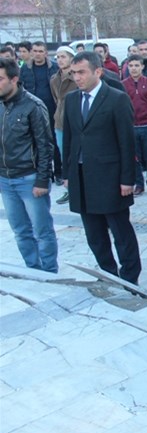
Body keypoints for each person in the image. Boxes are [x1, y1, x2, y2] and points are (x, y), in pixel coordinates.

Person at [62, 51, 141, 284]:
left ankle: (130, 278)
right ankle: (108, 274)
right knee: (94, 234)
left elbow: (127, 142)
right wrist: (67, 173)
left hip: (110, 178)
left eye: (82, 72)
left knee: (121, 233)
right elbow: (69, 139)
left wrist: (127, 179)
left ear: (97, 71)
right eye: (73, 73)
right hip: (81, 177)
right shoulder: (71, 100)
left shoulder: (116, 98)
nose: (77, 78)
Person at [0, 57, 58, 273]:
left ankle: (49, 273)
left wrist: (42, 179)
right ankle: (32, 271)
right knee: (20, 231)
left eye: (0, 79)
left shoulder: (33, 105)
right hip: (6, 179)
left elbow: (45, 145)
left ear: (14, 79)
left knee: (42, 231)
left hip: (30, 179)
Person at [20, 41, 60, 183]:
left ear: (46, 53)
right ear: (32, 52)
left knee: (54, 141)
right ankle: (43, 172)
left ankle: (58, 172)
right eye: (35, 51)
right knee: (36, 141)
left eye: (40, 51)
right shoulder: (25, 69)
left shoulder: (54, 67)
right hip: (32, 111)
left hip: (52, 109)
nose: (37, 54)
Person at [121, 54, 147, 195]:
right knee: (135, 157)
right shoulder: (123, 85)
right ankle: (139, 184)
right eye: (131, 66)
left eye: (137, 65)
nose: (134, 68)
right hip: (131, 126)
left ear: (142, 66)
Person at [50, 46, 77, 204]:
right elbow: (57, 99)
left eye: (63, 56)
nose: (60, 60)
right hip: (60, 122)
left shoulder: (77, 77)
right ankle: (69, 189)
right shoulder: (54, 79)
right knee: (64, 155)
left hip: (75, 121)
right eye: (58, 57)